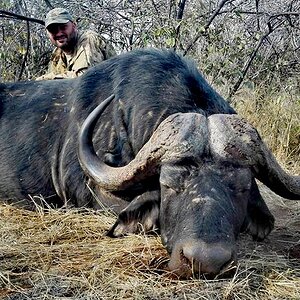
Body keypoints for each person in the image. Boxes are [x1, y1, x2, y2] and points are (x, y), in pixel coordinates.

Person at [36, 8, 115, 80]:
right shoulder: (57, 53)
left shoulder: (88, 40)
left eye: (63, 27)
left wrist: (45, 79)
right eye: (53, 30)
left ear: (74, 26)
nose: (59, 33)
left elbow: (84, 78)